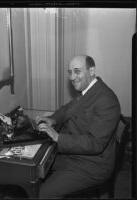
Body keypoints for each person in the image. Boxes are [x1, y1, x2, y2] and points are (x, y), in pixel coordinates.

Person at [35, 55, 121, 199]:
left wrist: (57, 137)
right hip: (76, 155)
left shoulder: (107, 100)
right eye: (70, 72)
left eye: (77, 71)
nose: (72, 77)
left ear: (92, 70)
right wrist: (52, 120)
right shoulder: (90, 90)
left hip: (93, 165)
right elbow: (67, 108)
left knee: (44, 193)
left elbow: (95, 143)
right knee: (37, 167)